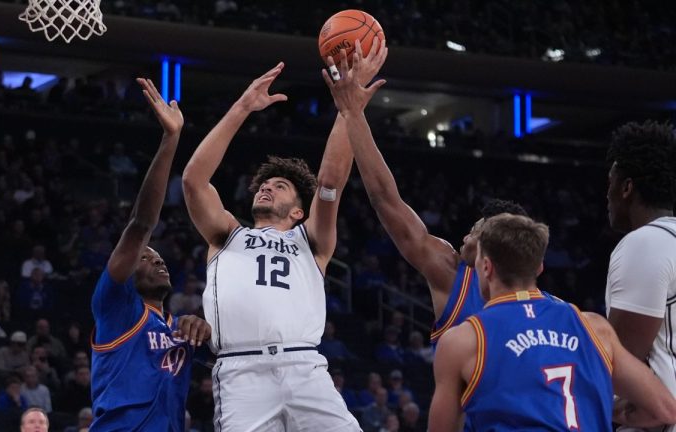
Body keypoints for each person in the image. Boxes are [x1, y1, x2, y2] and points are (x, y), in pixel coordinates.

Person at [182, 46, 385, 431]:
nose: (266, 189)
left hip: (303, 366)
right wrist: (242, 107)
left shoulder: (311, 241)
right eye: (263, 185)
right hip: (242, 371)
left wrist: (350, 105)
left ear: (298, 212)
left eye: (279, 186)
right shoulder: (227, 234)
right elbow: (194, 180)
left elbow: (330, 182)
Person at [322, 41, 527, 347]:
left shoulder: (547, 309)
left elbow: (383, 197)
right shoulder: (450, 269)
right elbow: (385, 199)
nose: (465, 237)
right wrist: (353, 112)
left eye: (474, 232)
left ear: (494, 246)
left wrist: (352, 110)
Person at [427, 214, 676, 430]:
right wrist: (598, 408)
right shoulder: (593, 327)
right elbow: (664, 410)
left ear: (486, 267)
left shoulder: (464, 339)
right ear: (539, 268)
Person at [90, 78, 210, 431]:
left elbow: (230, 354)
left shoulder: (179, 329)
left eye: (159, 256)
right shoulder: (116, 307)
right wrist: (171, 139)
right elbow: (141, 224)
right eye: (146, 257)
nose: (157, 259)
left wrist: (207, 329)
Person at [604, 120, 676, 429]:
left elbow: (620, 364)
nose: (606, 196)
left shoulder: (646, 243)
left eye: (610, 182)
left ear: (626, 187)